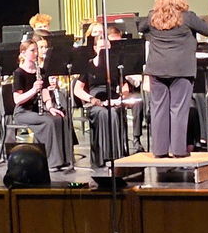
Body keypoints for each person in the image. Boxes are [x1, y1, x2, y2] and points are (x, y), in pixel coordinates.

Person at [139, 0, 208, 158]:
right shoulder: (187, 17)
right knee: (178, 110)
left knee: (158, 109)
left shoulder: (152, 17)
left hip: (157, 69)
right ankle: (178, 150)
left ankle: (159, 151)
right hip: (181, 70)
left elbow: (140, 27)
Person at [72, 29, 129, 167]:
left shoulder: (116, 65)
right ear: (95, 48)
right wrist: (91, 99)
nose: (105, 51)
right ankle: (104, 156)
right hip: (95, 100)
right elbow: (77, 89)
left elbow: (124, 86)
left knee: (114, 112)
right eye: (102, 47)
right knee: (103, 113)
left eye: (107, 47)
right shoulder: (89, 65)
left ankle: (117, 156)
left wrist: (122, 97)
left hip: (113, 98)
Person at [12, 40, 72, 171]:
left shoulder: (40, 71)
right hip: (23, 112)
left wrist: (50, 107)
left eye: (36, 50)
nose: (36, 53)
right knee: (48, 122)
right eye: (32, 50)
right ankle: (52, 162)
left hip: (37, 110)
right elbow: (17, 100)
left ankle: (65, 159)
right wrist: (33, 90)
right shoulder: (19, 73)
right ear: (23, 53)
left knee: (60, 118)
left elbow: (45, 92)